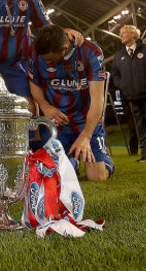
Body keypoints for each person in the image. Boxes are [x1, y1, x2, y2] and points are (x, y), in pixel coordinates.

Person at [28, 24, 114, 180]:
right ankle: (71, 160)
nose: (46, 62)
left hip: (86, 123)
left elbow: (97, 99)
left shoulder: (91, 52)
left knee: (97, 178)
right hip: (57, 124)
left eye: (49, 59)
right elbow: (34, 82)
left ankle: (104, 158)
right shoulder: (36, 52)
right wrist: (45, 106)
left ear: (64, 48)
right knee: (52, 176)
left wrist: (86, 135)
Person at [111, 25, 146, 162]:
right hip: (131, 96)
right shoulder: (119, 56)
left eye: (124, 33)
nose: (121, 36)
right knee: (139, 127)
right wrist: (122, 85)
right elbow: (114, 74)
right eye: (121, 33)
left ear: (133, 35)